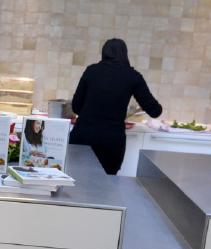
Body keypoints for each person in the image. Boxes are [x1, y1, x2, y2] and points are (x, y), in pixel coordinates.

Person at [68, 38, 162, 175]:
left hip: (82, 138)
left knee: (75, 182)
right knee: (104, 189)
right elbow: (155, 111)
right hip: (110, 144)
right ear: (125, 54)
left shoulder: (91, 71)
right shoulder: (133, 77)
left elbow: (76, 107)